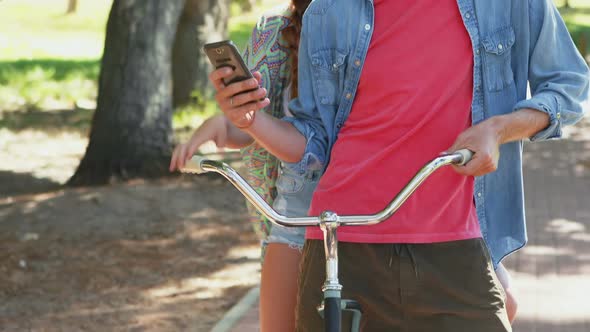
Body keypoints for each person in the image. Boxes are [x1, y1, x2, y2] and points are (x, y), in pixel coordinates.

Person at [214, 0, 589, 331]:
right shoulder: (329, 11)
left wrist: (499, 128)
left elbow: (568, 86)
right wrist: (251, 121)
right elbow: (316, 142)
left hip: (453, 244)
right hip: (343, 247)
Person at [170, 3, 315, 331]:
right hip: (294, 208)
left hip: (366, 210)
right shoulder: (276, 29)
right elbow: (252, 122)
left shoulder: (377, 24)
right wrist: (222, 125)